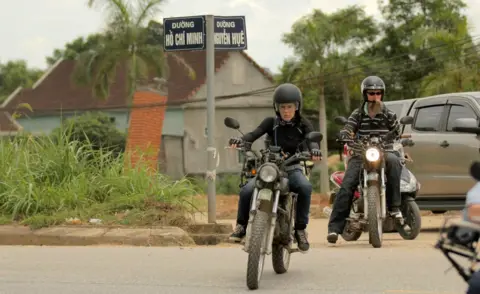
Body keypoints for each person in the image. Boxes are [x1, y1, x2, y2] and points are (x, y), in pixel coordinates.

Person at [228, 83, 322, 252]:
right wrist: (241, 141)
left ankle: (300, 229)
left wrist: (314, 149)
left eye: (290, 107)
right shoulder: (270, 122)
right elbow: (253, 134)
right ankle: (241, 226)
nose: (286, 111)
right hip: (270, 167)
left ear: (297, 107)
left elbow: (312, 139)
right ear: (277, 108)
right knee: (247, 190)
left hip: (292, 167)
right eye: (283, 107)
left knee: (305, 187)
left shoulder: (304, 124)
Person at [326, 75, 403, 244]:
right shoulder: (358, 113)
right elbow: (348, 128)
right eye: (371, 93)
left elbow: (397, 131)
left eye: (377, 93)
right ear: (365, 95)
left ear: (382, 94)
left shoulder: (388, 113)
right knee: (346, 186)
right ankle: (334, 228)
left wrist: (394, 132)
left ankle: (395, 208)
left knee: (395, 162)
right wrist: (345, 135)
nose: (374, 96)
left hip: (384, 151)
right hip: (361, 153)